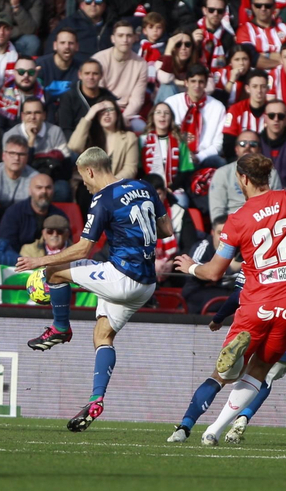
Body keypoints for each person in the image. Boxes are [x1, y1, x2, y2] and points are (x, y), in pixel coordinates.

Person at [171, 154, 286, 445]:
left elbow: (214, 272)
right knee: (260, 371)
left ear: (242, 178)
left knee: (221, 373)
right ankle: (214, 431)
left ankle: (192, 419)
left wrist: (192, 266)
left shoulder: (237, 219)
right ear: (267, 176)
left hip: (257, 303)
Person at [17, 146, 175, 431]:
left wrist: (38, 261)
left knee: (53, 272)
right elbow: (166, 231)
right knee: (103, 334)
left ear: (90, 171)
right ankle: (96, 399)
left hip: (122, 277)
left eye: (83, 179)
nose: (85, 186)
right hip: (147, 284)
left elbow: (84, 248)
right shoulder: (144, 186)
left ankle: (60, 328)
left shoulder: (103, 199)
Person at [169, 233, 286, 443]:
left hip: (258, 316)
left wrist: (219, 317)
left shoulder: (260, 253)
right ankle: (234, 422)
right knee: (262, 375)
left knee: (221, 376)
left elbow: (238, 294)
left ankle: (185, 426)